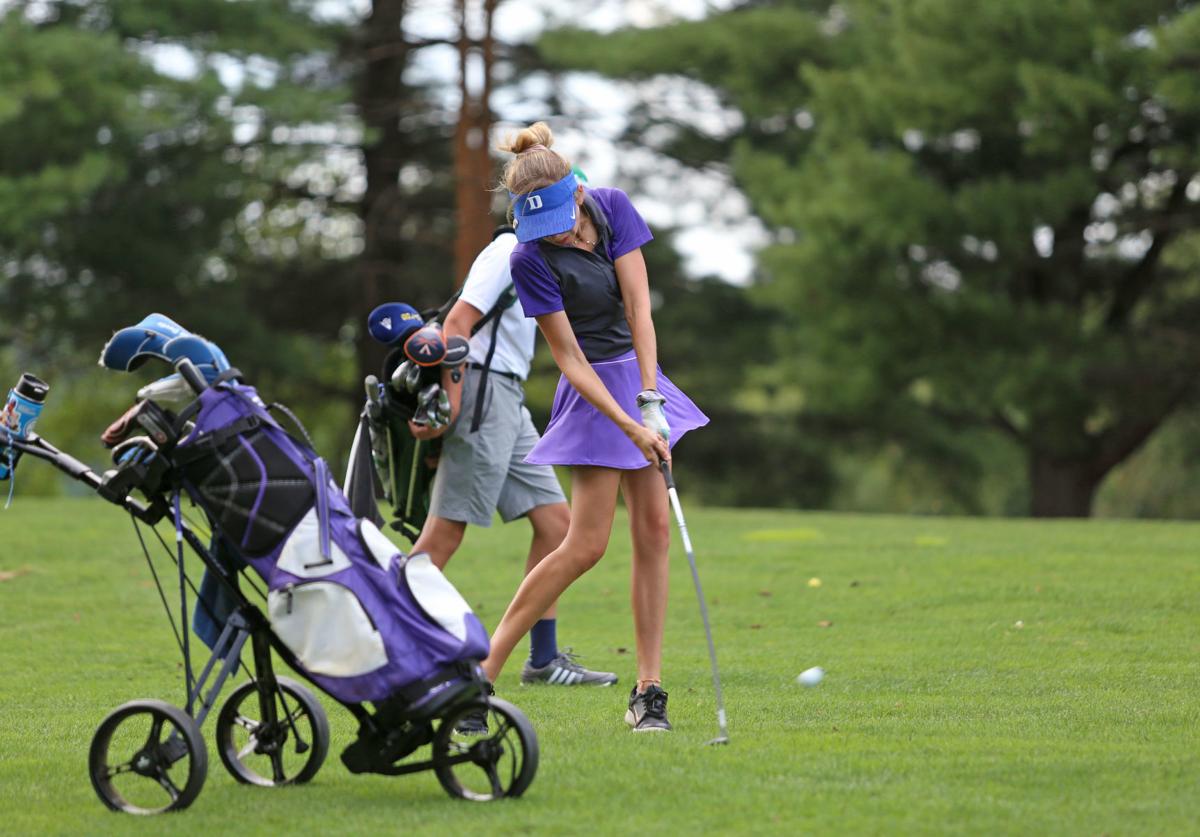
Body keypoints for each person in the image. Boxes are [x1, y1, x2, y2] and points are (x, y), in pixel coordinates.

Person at [478, 122, 708, 732]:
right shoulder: (529, 257)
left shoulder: (611, 208)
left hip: (639, 376)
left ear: (576, 194)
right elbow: (570, 359)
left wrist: (651, 400)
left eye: (559, 219)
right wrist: (629, 424)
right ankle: (481, 674)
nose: (553, 233)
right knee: (586, 546)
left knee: (655, 532)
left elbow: (638, 308)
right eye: (539, 225)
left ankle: (648, 692)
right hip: (593, 396)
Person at [407, 225, 617, 688]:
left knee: (557, 524)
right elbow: (457, 323)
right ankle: (381, 639)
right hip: (480, 391)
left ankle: (543, 660)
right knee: (446, 531)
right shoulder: (507, 251)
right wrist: (453, 402)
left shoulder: (539, 257)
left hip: (507, 397)